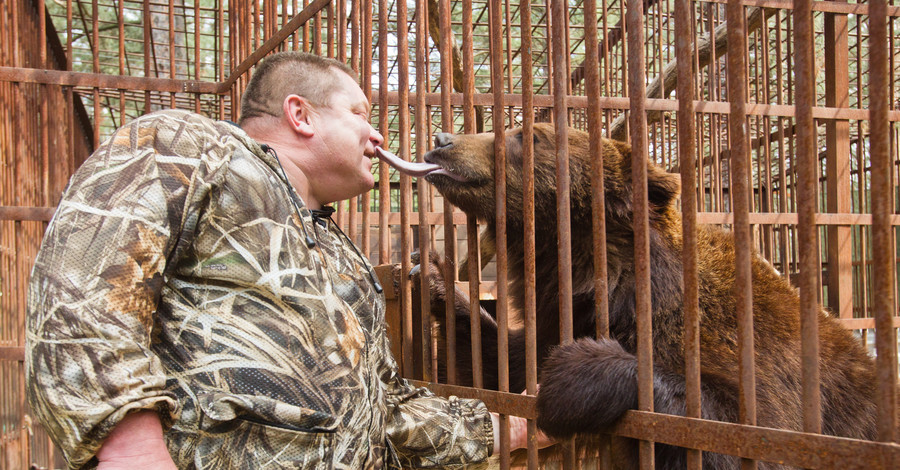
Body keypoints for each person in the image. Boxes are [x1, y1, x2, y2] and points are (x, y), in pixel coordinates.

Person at [25, 52, 542, 469]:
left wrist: (512, 428)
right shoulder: (192, 147)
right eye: (360, 115)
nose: (378, 136)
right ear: (301, 115)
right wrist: (133, 452)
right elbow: (80, 290)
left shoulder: (339, 255)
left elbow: (382, 412)